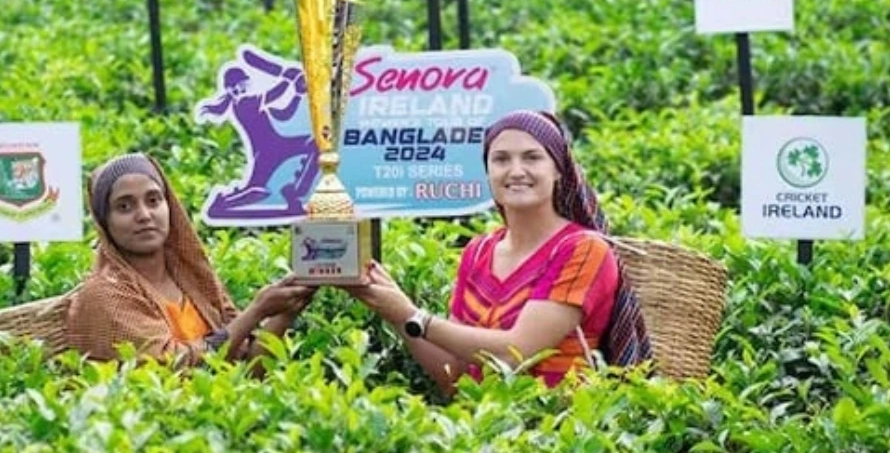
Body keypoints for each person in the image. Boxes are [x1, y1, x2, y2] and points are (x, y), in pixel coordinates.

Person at [343, 110, 653, 394]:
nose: (516, 171)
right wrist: (393, 310)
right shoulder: (478, 252)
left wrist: (414, 316)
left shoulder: (583, 249)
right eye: (501, 159)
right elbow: (455, 376)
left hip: (558, 431)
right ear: (488, 170)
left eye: (532, 157)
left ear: (559, 170)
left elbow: (515, 353)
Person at [65, 152, 315, 366]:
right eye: (124, 207)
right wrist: (255, 312)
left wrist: (286, 309)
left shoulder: (190, 278)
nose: (143, 215)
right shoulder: (105, 294)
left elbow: (247, 366)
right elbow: (173, 369)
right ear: (105, 222)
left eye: (153, 200)